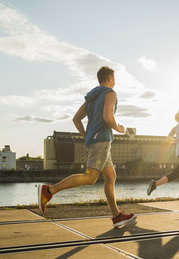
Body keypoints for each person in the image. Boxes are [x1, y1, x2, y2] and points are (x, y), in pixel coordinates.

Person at [38, 66, 135, 228]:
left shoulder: (91, 97)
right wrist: (119, 128)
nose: (115, 81)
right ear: (110, 79)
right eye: (114, 78)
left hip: (95, 140)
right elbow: (107, 117)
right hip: (102, 141)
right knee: (90, 178)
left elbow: (76, 119)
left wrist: (86, 135)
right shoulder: (110, 93)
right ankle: (49, 191)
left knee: (110, 176)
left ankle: (116, 215)